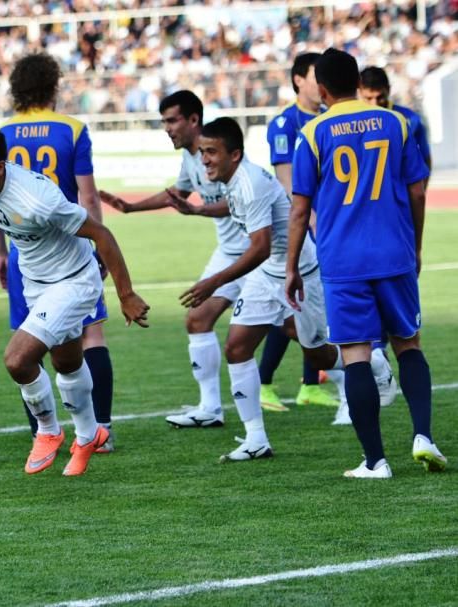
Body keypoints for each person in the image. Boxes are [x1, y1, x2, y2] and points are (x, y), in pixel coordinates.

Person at [0, 127, 149, 476]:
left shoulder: (37, 198)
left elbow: (101, 233)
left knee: (17, 359)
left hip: (74, 280)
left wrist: (126, 294)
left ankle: (48, 431)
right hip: (37, 283)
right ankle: (88, 434)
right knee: (66, 362)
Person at [169, 117, 392, 462]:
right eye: (202, 152)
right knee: (237, 347)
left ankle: (373, 360)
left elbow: (259, 246)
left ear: (235, 154)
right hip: (268, 273)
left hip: (299, 273)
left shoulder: (251, 182)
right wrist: (199, 211)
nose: (205, 159)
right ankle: (256, 439)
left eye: (212, 152)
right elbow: (235, 208)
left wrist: (214, 282)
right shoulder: (234, 179)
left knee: (315, 352)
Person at [288, 48, 446, 478]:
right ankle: (423, 437)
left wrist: (290, 269)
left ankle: (376, 460)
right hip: (393, 252)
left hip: (343, 261)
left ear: (321, 89)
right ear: (359, 81)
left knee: (356, 355)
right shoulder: (396, 122)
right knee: (408, 344)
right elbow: (417, 190)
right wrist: (414, 244)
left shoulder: (314, 132)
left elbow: (299, 209)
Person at [100, 91, 250, 430]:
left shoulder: (223, 155)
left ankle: (358, 374)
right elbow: (177, 195)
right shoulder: (190, 159)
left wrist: (197, 211)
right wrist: (130, 207)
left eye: (172, 120)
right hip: (229, 252)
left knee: (301, 334)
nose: (167, 128)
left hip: (259, 252)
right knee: (197, 320)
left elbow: (242, 200)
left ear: (193, 120)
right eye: (163, 122)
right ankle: (210, 408)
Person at [0, 52, 115, 451]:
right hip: (72, 248)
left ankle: (42, 433)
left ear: (15, 89)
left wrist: (0, 254)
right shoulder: (72, 129)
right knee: (90, 335)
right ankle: (101, 430)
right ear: (53, 85)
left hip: (23, 252)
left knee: (29, 338)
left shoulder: (3, 133)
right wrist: (100, 248)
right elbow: (88, 195)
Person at [259, 53, 340, 412]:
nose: (320, 82)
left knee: (313, 311)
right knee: (292, 310)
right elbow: (287, 184)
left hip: (329, 224)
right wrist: (313, 224)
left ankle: (310, 383)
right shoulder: (284, 124)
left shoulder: (328, 120)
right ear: (298, 80)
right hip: (302, 228)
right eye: (314, 75)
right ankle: (264, 384)